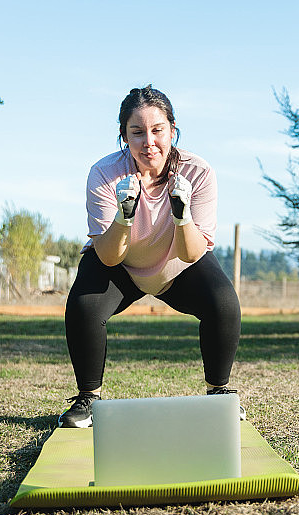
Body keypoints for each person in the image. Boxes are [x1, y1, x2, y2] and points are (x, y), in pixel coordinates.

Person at [58, 85, 242, 428]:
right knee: (84, 305)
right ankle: (88, 399)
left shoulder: (199, 172)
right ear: (124, 136)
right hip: (122, 263)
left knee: (224, 303)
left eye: (158, 130)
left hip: (178, 263)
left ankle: (219, 394)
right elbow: (108, 257)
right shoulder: (104, 173)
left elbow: (192, 252)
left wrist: (182, 215)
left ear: (172, 130)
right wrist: (124, 215)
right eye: (137, 132)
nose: (149, 142)